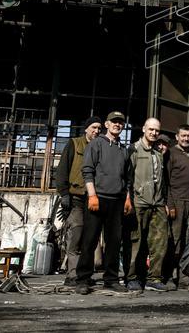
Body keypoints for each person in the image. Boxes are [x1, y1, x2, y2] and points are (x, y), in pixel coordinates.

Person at [75, 111, 133, 294]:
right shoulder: (96, 144)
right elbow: (87, 170)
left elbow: (127, 178)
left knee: (114, 242)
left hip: (116, 201)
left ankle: (111, 279)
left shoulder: (123, 149)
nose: (117, 124)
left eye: (120, 122)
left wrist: (127, 198)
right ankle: (83, 279)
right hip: (97, 199)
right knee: (89, 240)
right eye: (114, 121)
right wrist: (92, 195)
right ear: (107, 124)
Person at [52, 115, 103, 287]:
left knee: (89, 239)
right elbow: (62, 170)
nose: (97, 131)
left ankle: (84, 275)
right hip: (76, 199)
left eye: (99, 128)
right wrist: (64, 194)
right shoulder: (74, 144)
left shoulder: (101, 147)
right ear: (86, 129)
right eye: (94, 127)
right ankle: (73, 275)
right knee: (76, 235)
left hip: (94, 199)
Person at [124, 117, 171, 292]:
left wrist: (164, 202)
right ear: (144, 129)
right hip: (139, 203)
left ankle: (154, 278)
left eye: (156, 130)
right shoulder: (134, 149)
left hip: (157, 204)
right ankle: (131, 277)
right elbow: (127, 177)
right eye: (151, 129)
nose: (153, 133)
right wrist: (128, 199)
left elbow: (162, 181)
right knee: (135, 242)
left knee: (159, 242)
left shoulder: (158, 153)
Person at [165, 124, 189, 286]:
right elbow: (166, 182)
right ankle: (167, 275)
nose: (186, 139)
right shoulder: (170, 154)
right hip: (177, 202)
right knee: (174, 241)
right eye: (183, 136)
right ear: (177, 137)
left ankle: (183, 276)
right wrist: (170, 204)